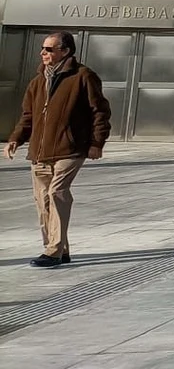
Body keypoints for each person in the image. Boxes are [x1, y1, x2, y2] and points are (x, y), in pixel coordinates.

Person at [6, 30, 112, 268]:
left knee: (57, 193)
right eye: (43, 49)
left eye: (49, 49)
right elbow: (28, 116)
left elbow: (100, 112)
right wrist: (15, 139)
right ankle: (59, 249)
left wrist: (97, 143)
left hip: (70, 149)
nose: (43, 53)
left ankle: (52, 251)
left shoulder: (83, 76)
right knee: (42, 200)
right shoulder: (37, 81)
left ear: (65, 51)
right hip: (40, 152)